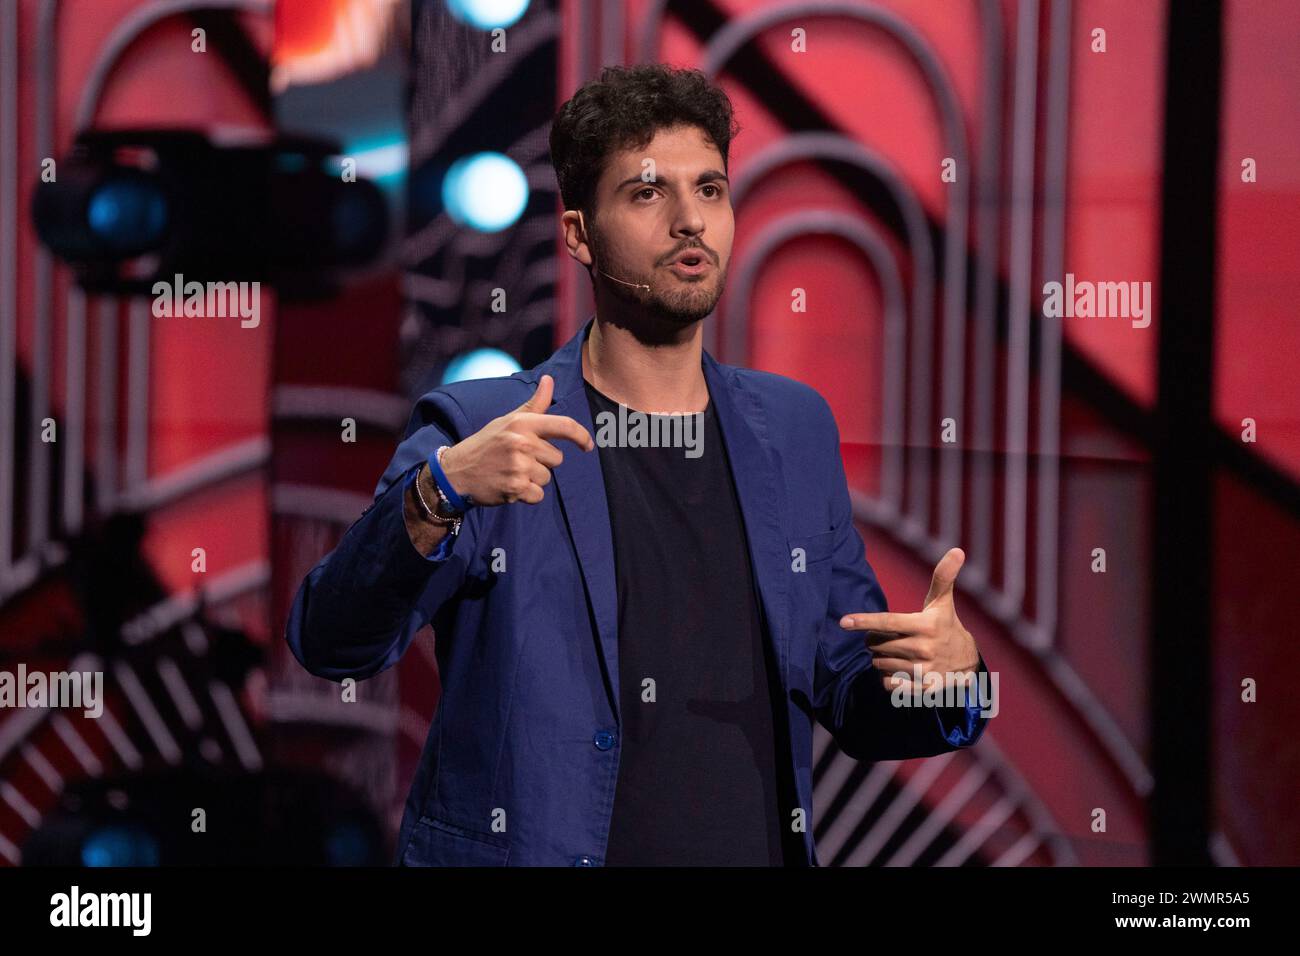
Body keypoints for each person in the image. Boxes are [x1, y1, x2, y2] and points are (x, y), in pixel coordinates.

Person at [285, 63, 992, 867]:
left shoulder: (793, 429)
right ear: (579, 234)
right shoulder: (485, 430)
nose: (691, 221)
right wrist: (435, 496)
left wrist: (952, 680)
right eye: (649, 193)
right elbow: (330, 642)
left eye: (711, 189)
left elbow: (850, 694)